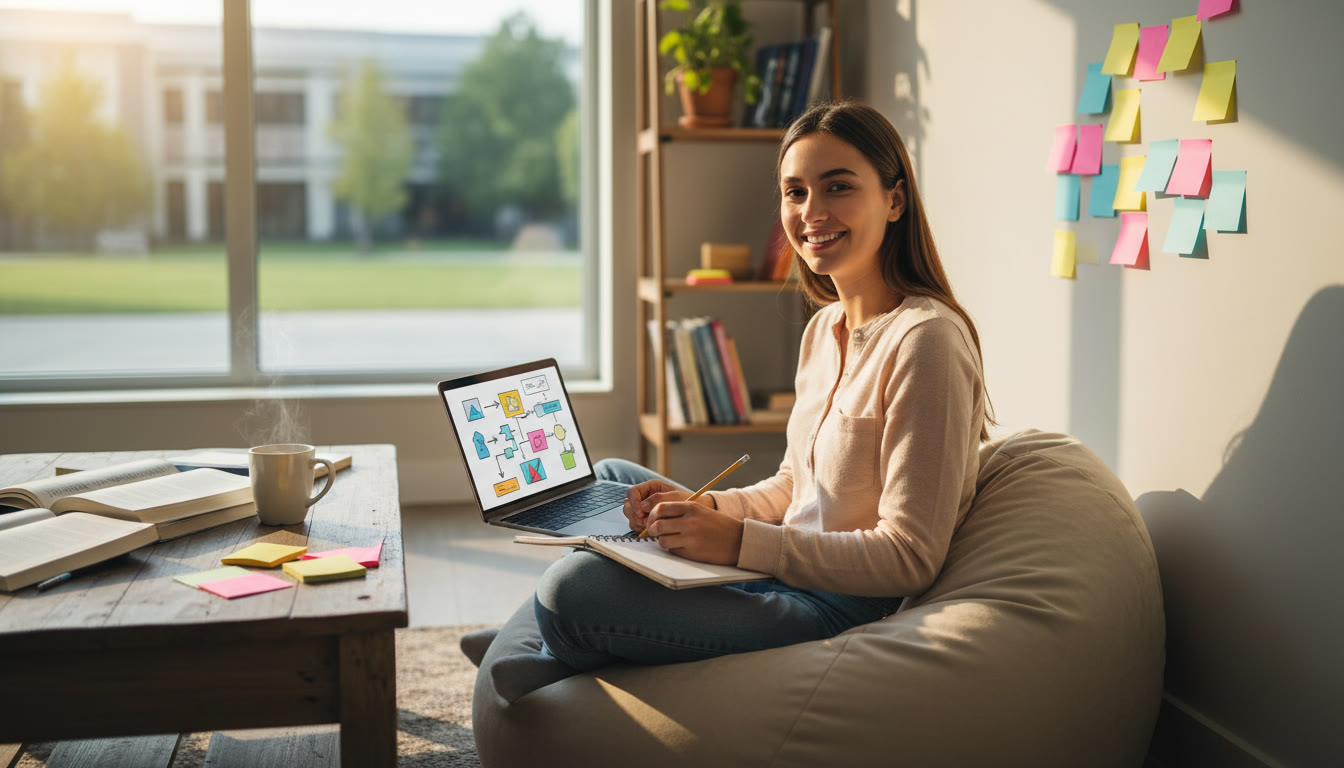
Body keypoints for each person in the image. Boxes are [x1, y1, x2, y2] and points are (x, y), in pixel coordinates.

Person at [468, 100, 993, 702]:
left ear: (894, 200)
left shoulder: (926, 340)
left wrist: (737, 543)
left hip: (832, 608)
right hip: (781, 566)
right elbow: (797, 487)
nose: (811, 213)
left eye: (838, 187)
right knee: (615, 480)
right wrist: (708, 506)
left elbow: (909, 558)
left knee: (574, 594)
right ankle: (547, 642)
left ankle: (543, 641)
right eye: (794, 193)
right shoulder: (824, 330)